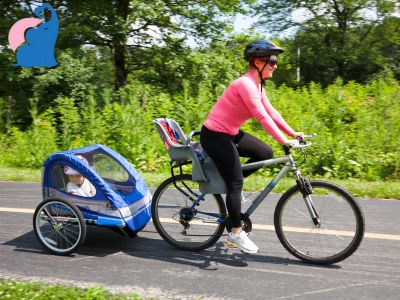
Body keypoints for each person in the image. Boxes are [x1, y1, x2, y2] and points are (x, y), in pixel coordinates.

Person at [200, 40, 304, 254]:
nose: (275, 65)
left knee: (264, 152)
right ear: (258, 62)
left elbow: (271, 112)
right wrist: (282, 140)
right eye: (272, 61)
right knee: (236, 182)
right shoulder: (245, 84)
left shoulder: (257, 85)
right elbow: (261, 116)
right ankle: (236, 233)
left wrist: (291, 132)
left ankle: (231, 189)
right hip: (214, 135)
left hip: (230, 133)